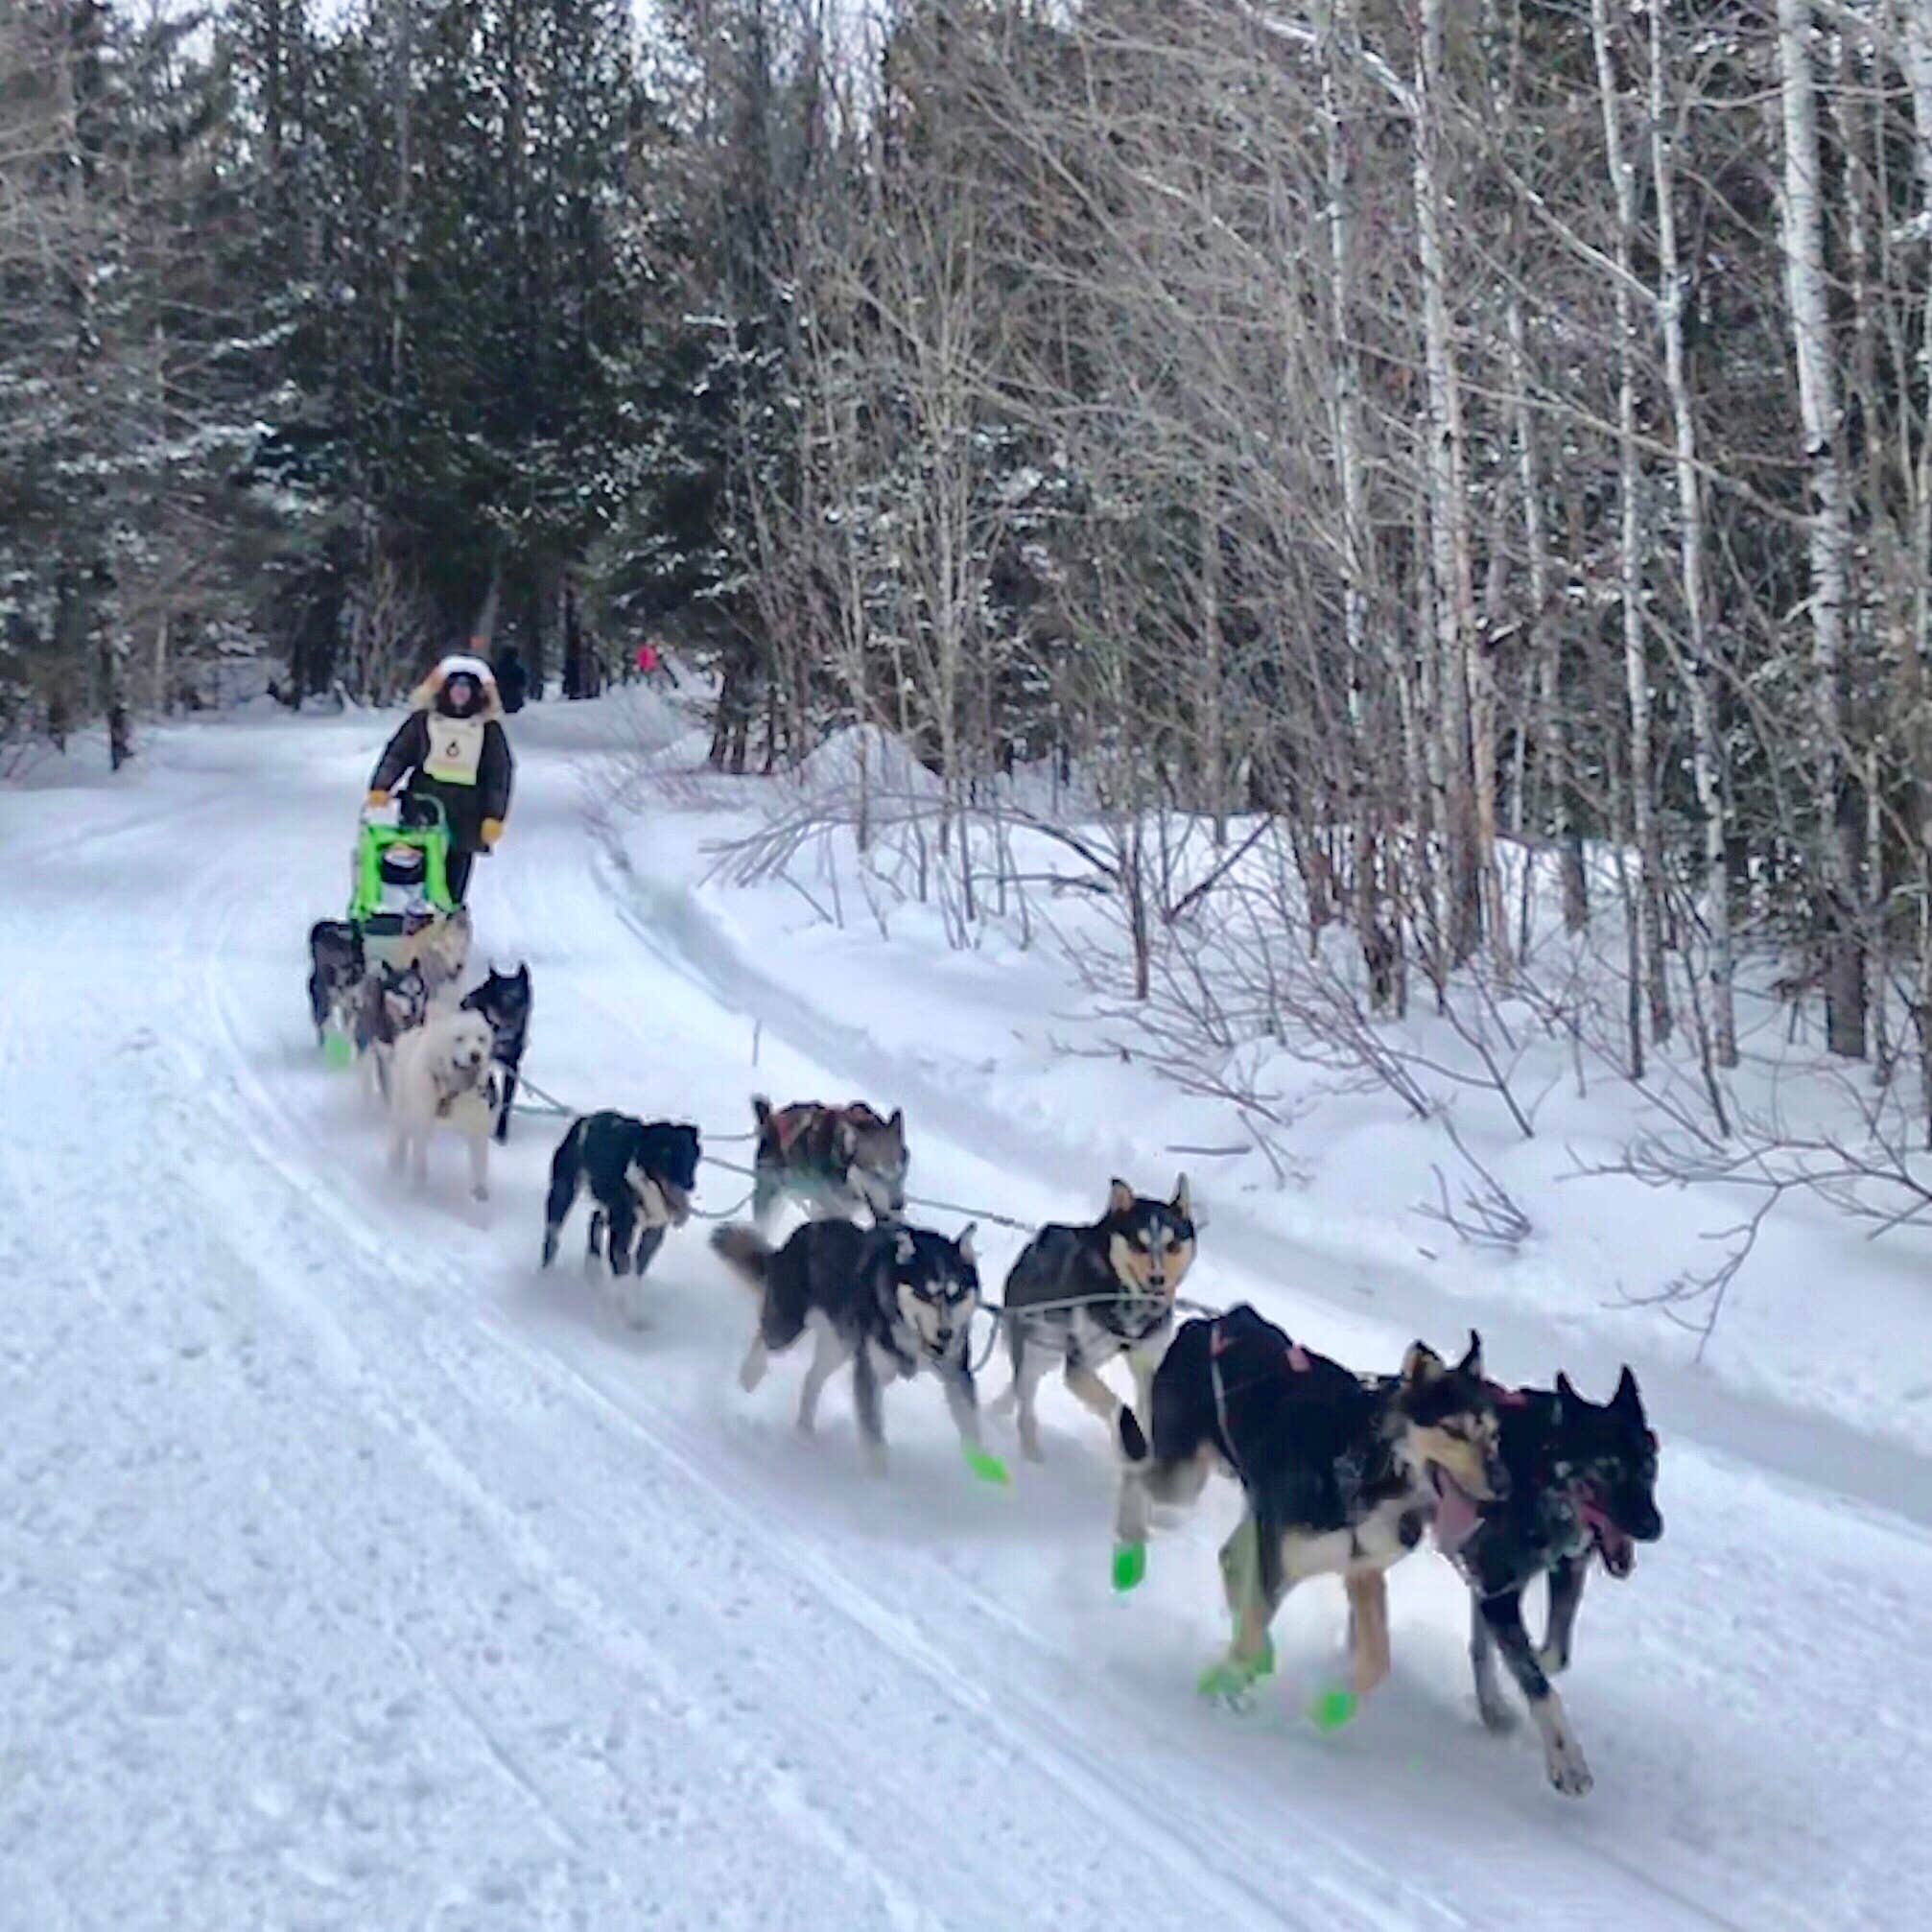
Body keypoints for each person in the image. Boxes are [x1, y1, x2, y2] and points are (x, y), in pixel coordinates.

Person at [365, 653, 514, 905]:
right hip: (424, 801)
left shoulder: (489, 730)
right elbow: (398, 754)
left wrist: (494, 815)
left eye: (467, 689)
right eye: (456, 688)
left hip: (468, 811)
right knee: (415, 864)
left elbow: (499, 775)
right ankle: (410, 916)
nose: (460, 694)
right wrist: (381, 785)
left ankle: (449, 917)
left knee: (456, 870)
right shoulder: (423, 721)